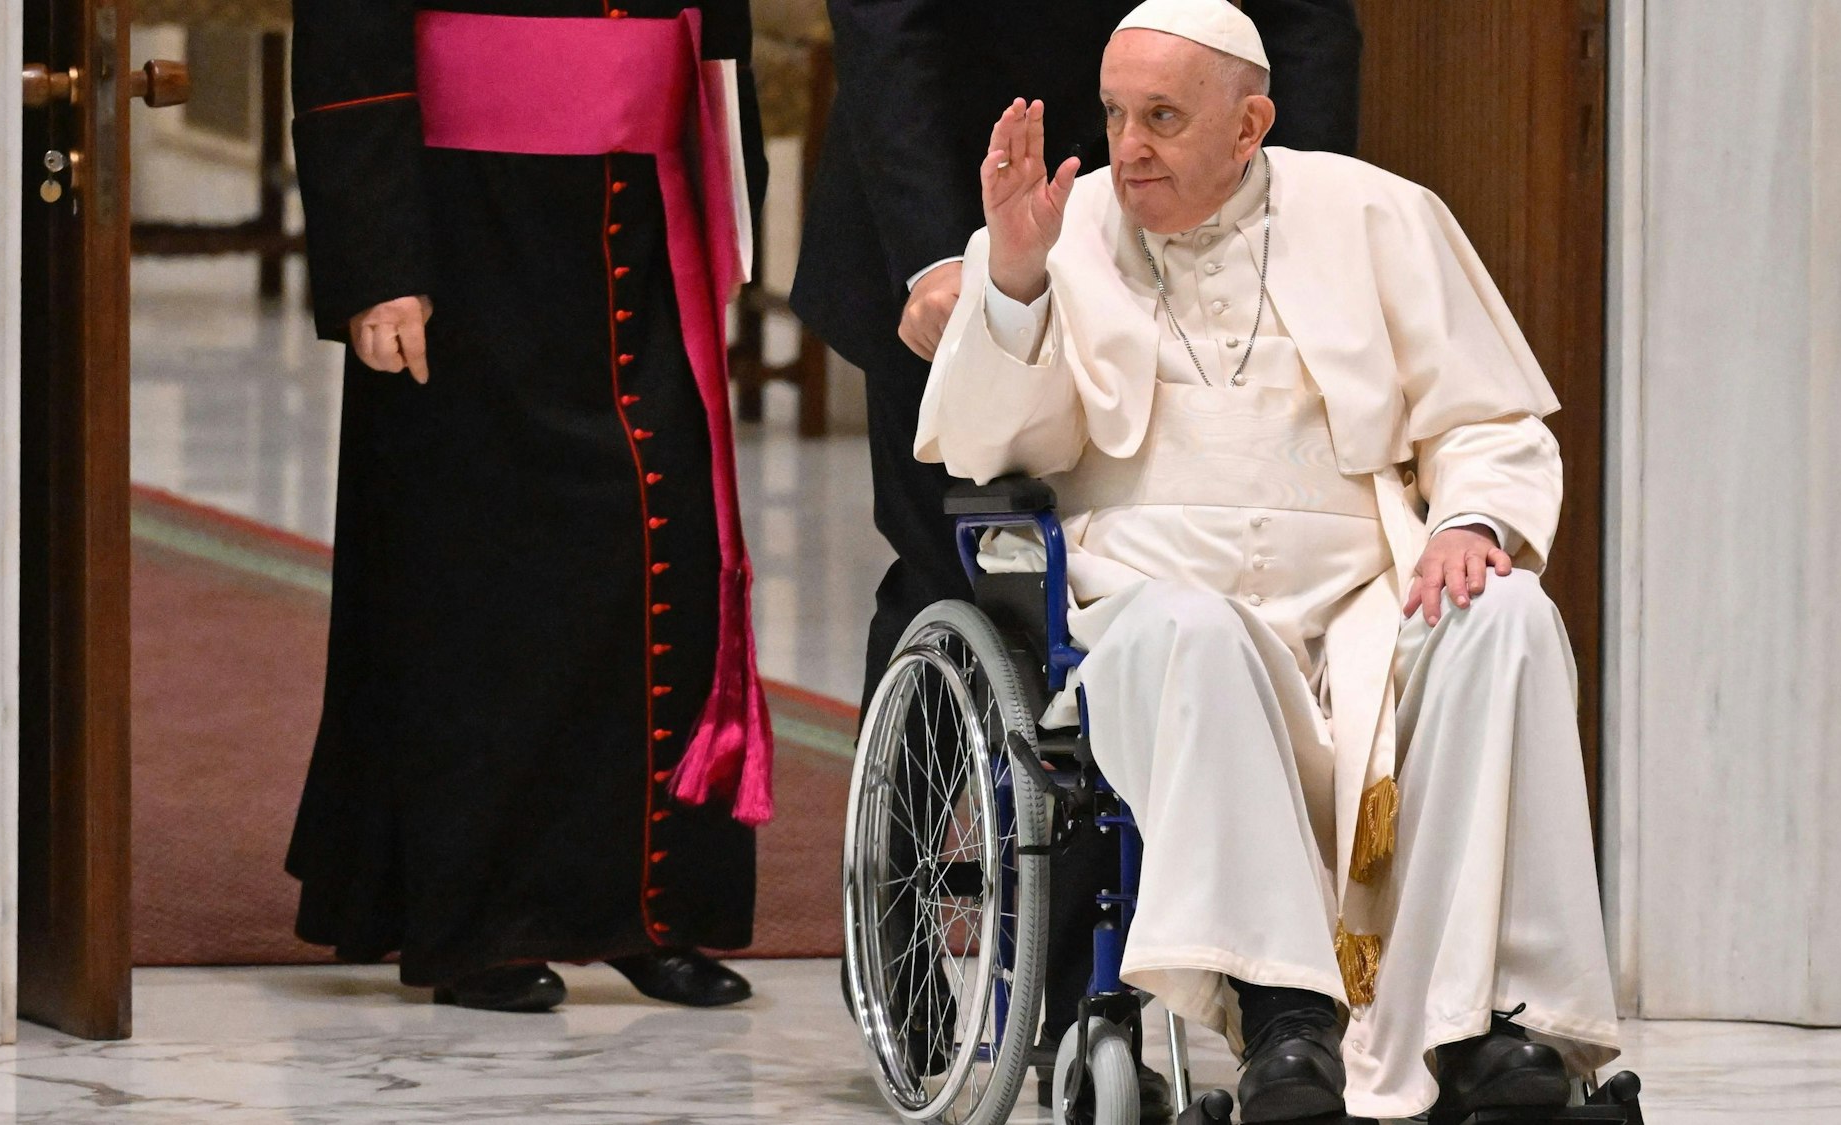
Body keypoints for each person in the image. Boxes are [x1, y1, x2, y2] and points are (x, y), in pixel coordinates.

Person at [914, 0, 1621, 1119]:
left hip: (1363, 607)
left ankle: (1491, 1024)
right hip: (1152, 597)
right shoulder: (1065, 223)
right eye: (1112, 114)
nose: (1127, 146)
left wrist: (1468, 525)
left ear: (1250, 126)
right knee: (1190, 630)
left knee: (1507, 615)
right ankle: (1283, 1020)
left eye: (1161, 117)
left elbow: (1488, 423)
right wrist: (1012, 278)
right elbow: (996, 446)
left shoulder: (1377, 214)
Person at [791, 2, 1361, 1110]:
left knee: (1159, 578)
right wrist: (937, 259)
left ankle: (1231, 981)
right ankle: (949, 980)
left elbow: (1307, 26)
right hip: (960, 223)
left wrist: (1302, 222)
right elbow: (891, 32)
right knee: (963, 571)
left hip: (1199, 225)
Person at [284, 0, 775, 1014]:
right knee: (488, 582)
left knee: (664, 549)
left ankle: (651, 910)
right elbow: (348, 30)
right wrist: (380, 264)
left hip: (647, 205)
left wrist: (730, 181)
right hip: (466, 225)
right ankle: (484, 921)